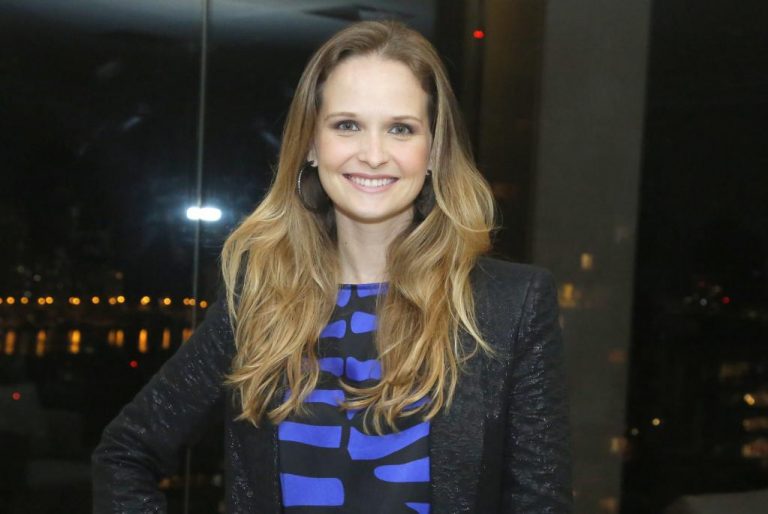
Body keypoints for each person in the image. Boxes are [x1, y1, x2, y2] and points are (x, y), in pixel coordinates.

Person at [92, 20, 571, 513]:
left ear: (434, 150)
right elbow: (125, 453)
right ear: (311, 144)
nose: (373, 154)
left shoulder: (510, 306)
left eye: (400, 129)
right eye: (347, 125)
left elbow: (541, 503)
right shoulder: (258, 299)